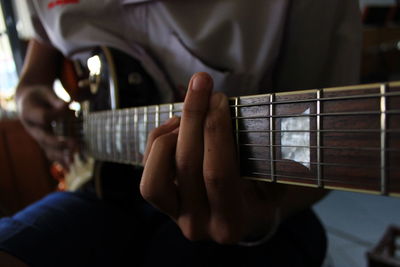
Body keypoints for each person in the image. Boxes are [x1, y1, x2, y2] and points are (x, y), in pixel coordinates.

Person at [0, 0, 362, 266]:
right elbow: (39, 58)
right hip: (96, 186)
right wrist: (30, 93)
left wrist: (265, 213)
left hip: (236, 204)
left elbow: (322, 146)